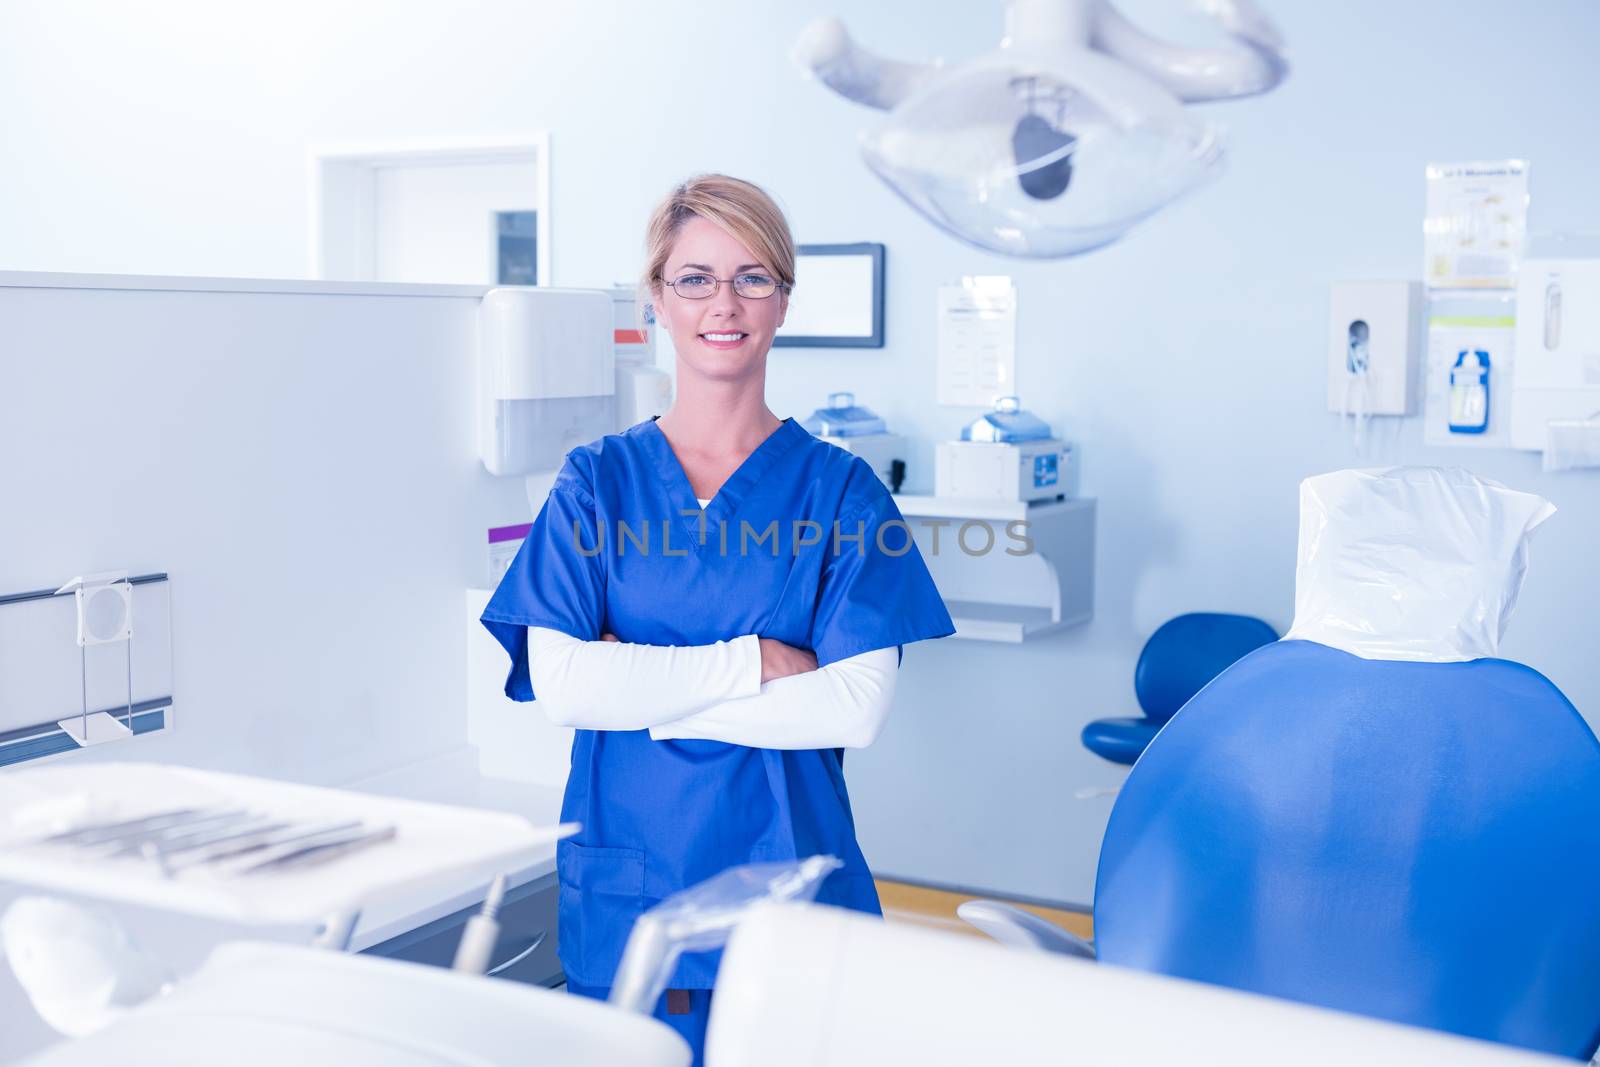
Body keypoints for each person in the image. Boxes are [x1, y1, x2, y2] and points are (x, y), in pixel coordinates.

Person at [481, 174, 953, 1063]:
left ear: (783, 301)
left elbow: (853, 706)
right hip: (634, 885)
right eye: (694, 278)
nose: (722, 303)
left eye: (752, 277)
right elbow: (566, 686)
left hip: (792, 883)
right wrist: (761, 661)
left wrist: (641, 690)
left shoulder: (842, 489)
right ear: (656, 299)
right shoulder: (597, 482)